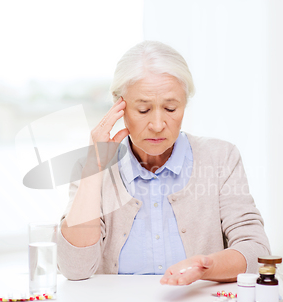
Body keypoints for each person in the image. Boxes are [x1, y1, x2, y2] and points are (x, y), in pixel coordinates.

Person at [57, 40, 271, 285]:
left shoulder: (221, 157)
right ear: (119, 106)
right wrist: (94, 169)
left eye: (170, 108)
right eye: (143, 110)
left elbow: (257, 251)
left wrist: (206, 267)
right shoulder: (91, 168)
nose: (158, 125)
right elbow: (74, 268)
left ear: (184, 104)